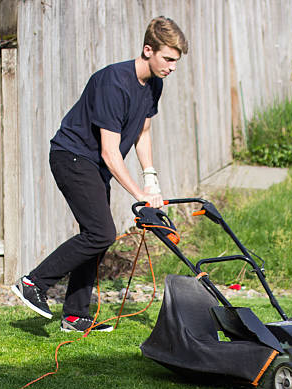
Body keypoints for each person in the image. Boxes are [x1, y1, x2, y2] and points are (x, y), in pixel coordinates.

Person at [11, 16, 188, 332]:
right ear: (148, 49)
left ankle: (74, 316)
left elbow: (143, 132)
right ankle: (32, 282)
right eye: (168, 58)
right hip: (73, 156)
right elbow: (110, 151)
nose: (173, 67)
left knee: (96, 236)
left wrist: (151, 178)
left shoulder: (154, 85)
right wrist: (140, 195)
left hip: (92, 164)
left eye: (176, 61)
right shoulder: (113, 82)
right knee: (101, 232)